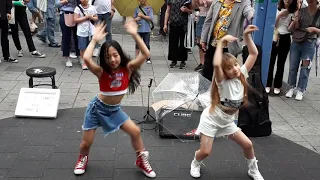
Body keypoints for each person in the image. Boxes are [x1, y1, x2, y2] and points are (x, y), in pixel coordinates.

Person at [73, 20, 156, 178]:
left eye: (115, 55)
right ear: (104, 59)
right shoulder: (101, 72)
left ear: (120, 55)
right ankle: (82, 158)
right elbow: (87, 59)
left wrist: (134, 33)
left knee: (136, 131)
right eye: (108, 57)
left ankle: (141, 159)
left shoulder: (128, 69)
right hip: (97, 109)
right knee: (86, 143)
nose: (112, 59)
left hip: (114, 110)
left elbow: (146, 54)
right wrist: (95, 40)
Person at [190, 25, 264, 180]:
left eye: (236, 64)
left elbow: (253, 53)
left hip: (228, 122)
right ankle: (196, 162)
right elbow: (216, 64)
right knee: (205, 152)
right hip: (211, 120)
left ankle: (253, 169)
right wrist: (221, 42)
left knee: (248, 145)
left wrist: (246, 36)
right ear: (224, 72)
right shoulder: (221, 81)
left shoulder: (242, 74)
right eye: (229, 68)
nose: (235, 69)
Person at [195, 0, 254, 81]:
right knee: (207, 71)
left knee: (226, 75)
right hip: (213, 43)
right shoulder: (217, 1)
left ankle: (223, 93)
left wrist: (252, 16)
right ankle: (205, 92)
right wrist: (203, 40)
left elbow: (248, 11)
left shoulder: (243, 2)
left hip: (229, 47)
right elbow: (208, 21)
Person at [286, 0, 320, 100]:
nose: (310, 1)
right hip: (297, 41)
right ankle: (291, 87)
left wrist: (314, 30)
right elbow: (290, 29)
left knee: (305, 67)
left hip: (310, 42)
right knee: (293, 66)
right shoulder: (301, 11)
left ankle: (301, 89)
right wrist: (295, 20)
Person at [266, 0, 297, 95]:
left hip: (286, 37)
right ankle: (268, 84)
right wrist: (279, 15)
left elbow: (290, 29)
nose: (287, 0)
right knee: (270, 62)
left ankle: (277, 85)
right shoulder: (276, 8)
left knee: (281, 63)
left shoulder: (294, 11)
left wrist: (295, 20)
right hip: (275, 36)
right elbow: (272, 25)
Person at [164, 0, 193, 69]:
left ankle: (183, 60)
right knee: (173, 42)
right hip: (173, 22)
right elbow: (168, 11)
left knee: (183, 43)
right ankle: (173, 60)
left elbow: (192, 11)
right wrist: (165, 24)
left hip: (183, 24)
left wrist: (187, 10)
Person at [74, 0, 98, 70]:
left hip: (91, 30)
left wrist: (91, 17)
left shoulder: (92, 7)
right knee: (82, 48)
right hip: (81, 31)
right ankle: (84, 62)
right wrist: (85, 18)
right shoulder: (78, 8)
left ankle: (88, 60)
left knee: (90, 47)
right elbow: (75, 19)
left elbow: (96, 17)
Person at [56, 0, 80, 67]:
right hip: (65, 13)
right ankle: (67, 57)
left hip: (77, 14)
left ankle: (79, 56)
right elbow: (56, 4)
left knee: (78, 36)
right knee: (66, 37)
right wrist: (64, 1)